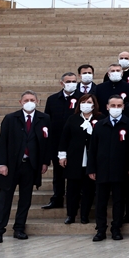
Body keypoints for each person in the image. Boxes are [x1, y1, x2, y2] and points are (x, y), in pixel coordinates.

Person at [0, 92, 53, 243]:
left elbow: (47, 143)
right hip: (11, 166)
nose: (29, 102)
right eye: (26, 100)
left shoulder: (44, 119)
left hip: (30, 166)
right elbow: (2, 142)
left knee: (25, 199)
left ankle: (19, 228)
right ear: (20, 102)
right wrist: (2, 164)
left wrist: (45, 162)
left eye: (32, 100)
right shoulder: (10, 118)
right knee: (5, 199)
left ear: (37, 101)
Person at [87, 96, 129, 242]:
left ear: (123, 107)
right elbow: (92, 149)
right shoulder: (99, 125)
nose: (116, 108)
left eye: (119, 105)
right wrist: (91, 169)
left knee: (119, 201)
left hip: (121, 169)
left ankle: (116, 229)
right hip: (102, 170)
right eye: (113, 105)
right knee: (101, 202)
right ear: (107, 107)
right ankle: (100, 229)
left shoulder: (128, 124)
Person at [41, 72, 80, 211]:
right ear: (62, 83)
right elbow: (47, 119)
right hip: (57, 141)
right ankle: (57, 197)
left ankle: (75, 200)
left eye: (74, 81)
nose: (71, 83)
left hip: (76, 143)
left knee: (75, 173)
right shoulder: (52, 99)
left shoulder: (82, 99)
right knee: (58, 173)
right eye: (68, 81)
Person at [58, 94, 97, 226]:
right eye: (83, 102)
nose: (86, 104)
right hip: (75, 158)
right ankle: (71, 214)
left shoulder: (100, 118)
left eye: (89, 102)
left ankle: (84, 215)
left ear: (94, 104)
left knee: (88, 189)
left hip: (92, 160)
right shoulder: (72, 119)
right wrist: (62, 156)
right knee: (72, 189)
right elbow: (64, 138)